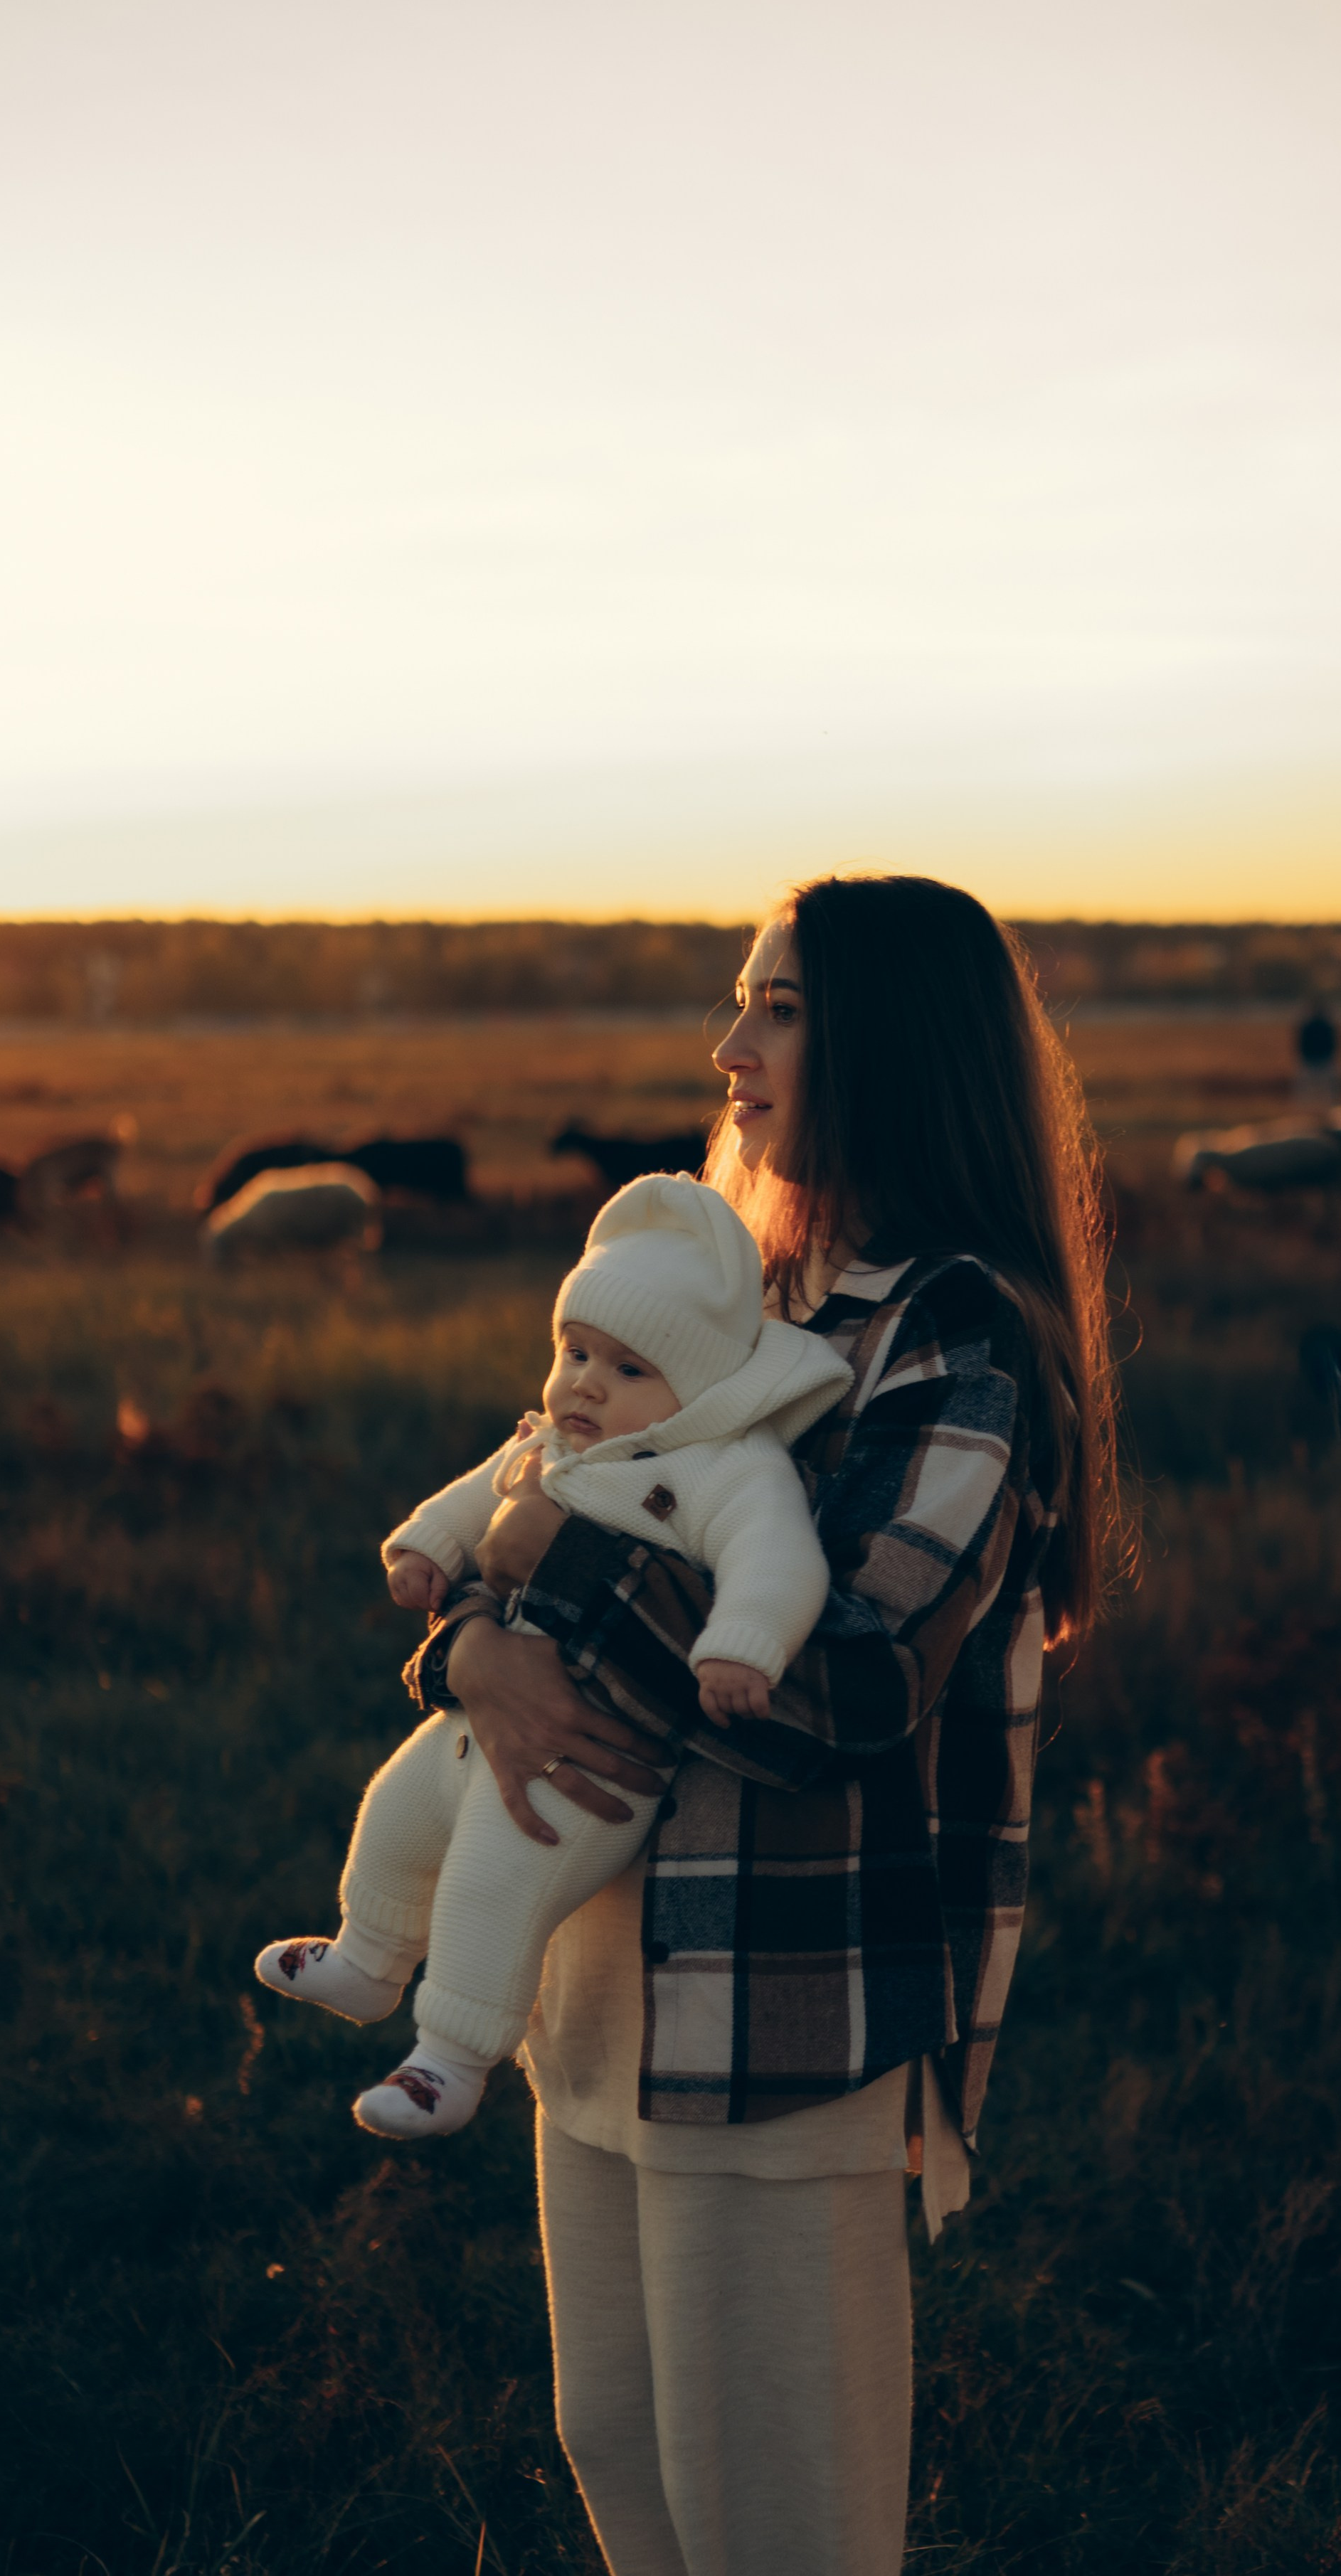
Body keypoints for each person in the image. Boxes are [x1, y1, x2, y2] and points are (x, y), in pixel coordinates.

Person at [412, 873, 1118, 2576]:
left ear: (896, 1041)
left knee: (772, 2525)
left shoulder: (954, 1338)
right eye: (740, 1002)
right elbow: (525, 1502)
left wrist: (547, 1583)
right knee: (627, 2468)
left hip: (771, 2023)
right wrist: (466, 1657)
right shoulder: (748, 1304)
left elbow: (854, 1678)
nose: (729, 1047)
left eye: (782, 1008)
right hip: (591, 2002)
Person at [255, 1174, 849, 2137]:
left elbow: (775, 1559)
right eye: (573, 1352)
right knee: (398, 1815)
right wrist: (424, 1548)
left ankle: (445, 2063)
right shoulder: (549, 1444)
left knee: (498, 1881)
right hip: (477, 1722)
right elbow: (475, 1495)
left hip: (591, 1759)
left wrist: (741, 1645)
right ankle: (367, 1959)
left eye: (626, 1370)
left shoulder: (723, 1467)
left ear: (693, 1389)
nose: (583, 1383)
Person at [1295, 1000, 1337, 1110]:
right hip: (1321, 1060)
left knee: (1307, 1089)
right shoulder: (1327, 1026)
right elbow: (1332, 1043)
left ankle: (1306, 1109)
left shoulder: (1308, 1025)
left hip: (1314, 1060)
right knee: (1326, 1088)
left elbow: (1301, 1043)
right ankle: (1327, 1109)